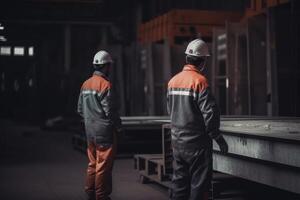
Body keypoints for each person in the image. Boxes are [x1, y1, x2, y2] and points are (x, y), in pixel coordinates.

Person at [167, 39, 228, 200]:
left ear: (187, 58)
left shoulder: (172, 81)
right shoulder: (200, 82)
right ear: (203, 60)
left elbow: (171, 111)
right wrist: (218, 138)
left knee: (180, 185)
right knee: (199, 187)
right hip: (197, 145)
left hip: (178, 143)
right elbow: (210, 113)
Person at [77, 50, 122, 200]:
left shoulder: (85, 84)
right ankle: (101, 196)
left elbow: (80, 110)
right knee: (103, 165)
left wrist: (91, 122)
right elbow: (110, 111)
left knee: (93, 163)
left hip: (89, 131)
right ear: (106, 66)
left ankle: (90, 192)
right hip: (104, 132)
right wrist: (118, 126)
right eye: (109, 66)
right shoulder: (105, 84)